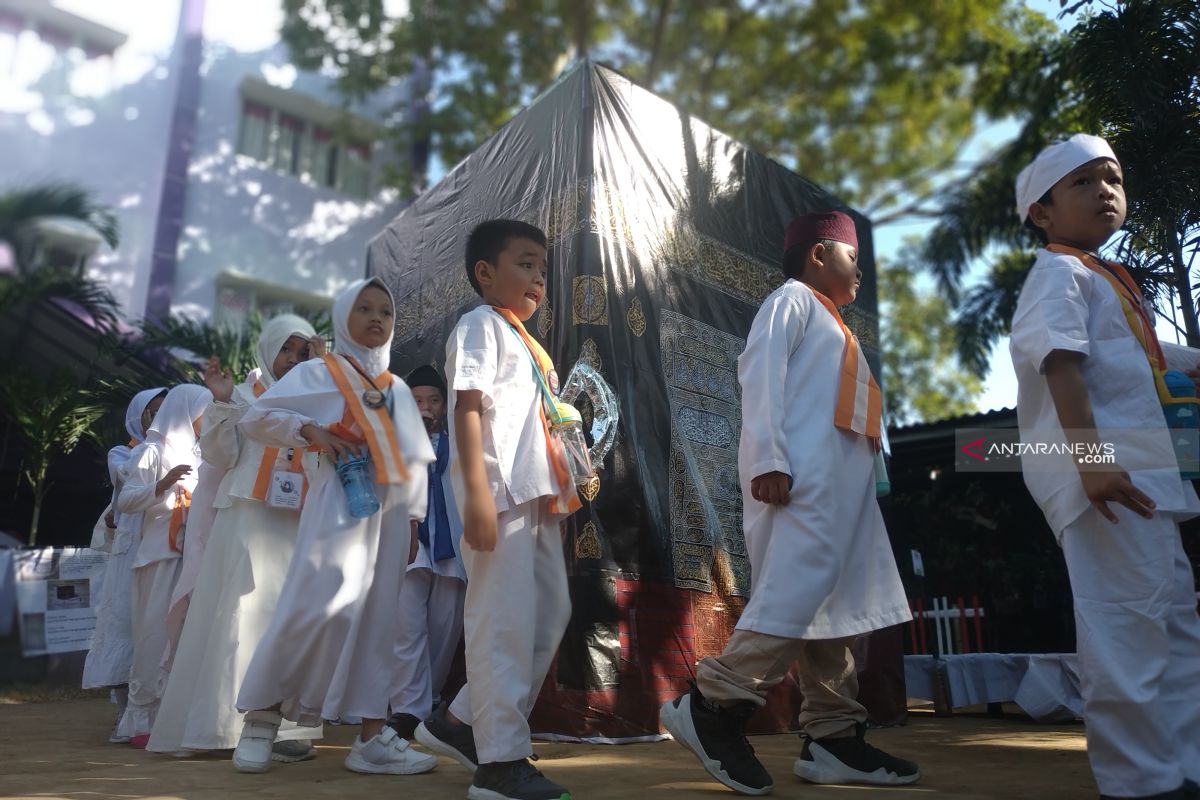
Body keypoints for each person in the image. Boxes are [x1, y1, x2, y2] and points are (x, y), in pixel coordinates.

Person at [658, 210, 918, 795]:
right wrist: (769, 459)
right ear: (819, 255)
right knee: (800, 594)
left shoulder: (839, 327)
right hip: (800, 485)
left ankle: (833, 736)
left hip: (841, 493)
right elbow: (761, 373)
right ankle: (712, 703)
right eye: (854, 257)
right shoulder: (792, 300)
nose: (861, 272)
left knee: (837, 611)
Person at [1009, 133, 1200, 800]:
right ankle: (1140, 781)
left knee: (1173, 629)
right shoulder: (1058, 272)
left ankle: (1182, 766)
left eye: (1113, 177)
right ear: (1042, 212)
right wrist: (1091, 463)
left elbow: (1145, 357)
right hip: (1106, 482)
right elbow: (1060, 360)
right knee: (1127, 630)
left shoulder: (1103, 282)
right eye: (1084, 182)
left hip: (1145, 480)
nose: (1106, 191)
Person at [232, 278, 437, 777]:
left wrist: (413, 520)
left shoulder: (397, 389)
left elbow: (414, 461)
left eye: (385, 311)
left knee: (378, 620)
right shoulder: (321, 373)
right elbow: (257, 417)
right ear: (343, 316)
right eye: (362, 308)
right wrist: (309, 430)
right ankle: (261, 720)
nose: (375, 317)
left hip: (389, 513)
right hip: (338, 501)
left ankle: (370, 740)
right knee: (312, 605)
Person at [415, 219, 581, 800]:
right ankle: (500, 763)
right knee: (502, 621)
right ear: (486, 273)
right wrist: (477, 498)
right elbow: (466, 408)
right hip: (499, 495)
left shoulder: (526, 343)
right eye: (525, 263)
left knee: (548, 614)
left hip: (535, 494)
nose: (539, 278)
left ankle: (460, 721)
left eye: (543, 269)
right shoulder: (480, 325)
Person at [147, 315, 325, 759]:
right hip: (247, 516)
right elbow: (219, 456)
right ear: (268, 349)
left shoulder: (319, 400)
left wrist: (326, 377)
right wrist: (223, 403)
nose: (293, 359)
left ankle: (280, 732)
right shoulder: (244, 396)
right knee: (239, 612)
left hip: (296, 521)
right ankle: (218, 726)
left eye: (303, 351)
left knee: (282, 617)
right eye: (287, 348)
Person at [114, 383, 211, 746]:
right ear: (186, 411)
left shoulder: (205, 455)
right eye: (205, 412)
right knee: (154, 635)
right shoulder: (151, 452)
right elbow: (126, 500)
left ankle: (175, 718)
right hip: (158, 557)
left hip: (192, 557)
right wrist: (163, 485)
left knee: (182, 638)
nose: (208, 420)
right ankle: (140, 721)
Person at [386, 364, 466, 739]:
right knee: (406, 628)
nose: (426, 406)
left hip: (452, 550)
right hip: (409, 546)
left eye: (434, 399)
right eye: (417, 400)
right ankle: (405, 709)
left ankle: (429, 700)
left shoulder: (462, 444)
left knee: (444, 629)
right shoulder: (392, 442)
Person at [83, 387, 167, 742]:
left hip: (159, 545)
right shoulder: (123, 452)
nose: (158, 418)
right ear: (138, 415)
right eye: (153, 411)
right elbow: (127, 477)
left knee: (153, 629)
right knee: (123, 624)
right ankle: (125, 714)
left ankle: (153, 715)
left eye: (166, 411)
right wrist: (158, 449)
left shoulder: (179, 452)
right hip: (129, 548)